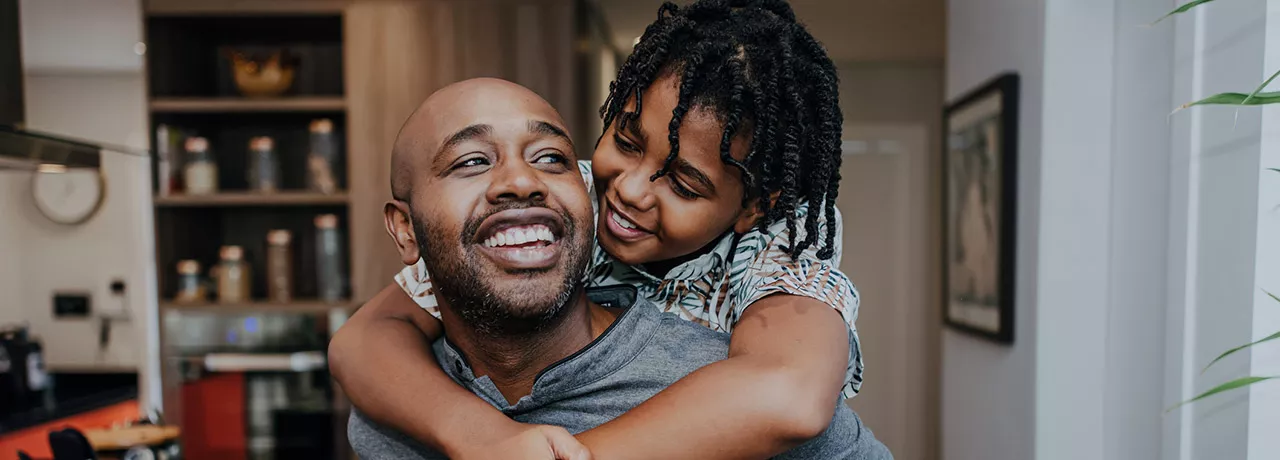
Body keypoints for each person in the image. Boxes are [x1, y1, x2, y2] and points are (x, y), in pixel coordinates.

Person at [329, 1, 864, 458]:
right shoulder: (565, 197)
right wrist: (479, 436)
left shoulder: (778, 252)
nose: (630, 190)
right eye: (627, 143)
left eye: (683, 184)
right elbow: (362, 341)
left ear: (750, 208)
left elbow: (789, 395)